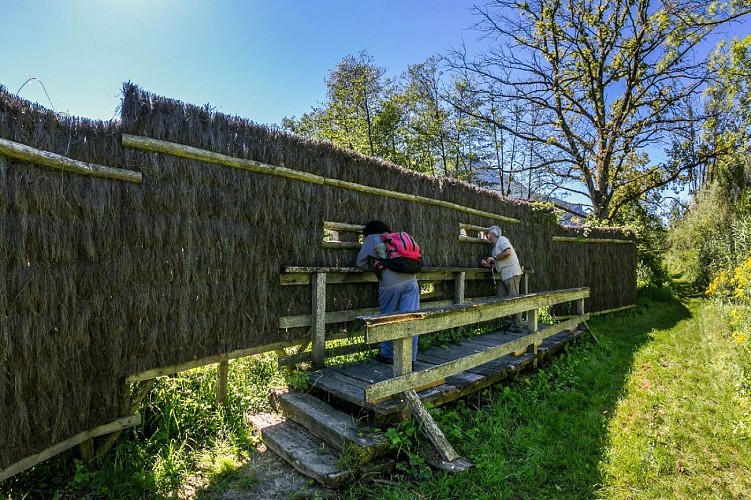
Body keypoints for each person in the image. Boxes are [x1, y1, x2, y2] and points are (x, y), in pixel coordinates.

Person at [356, 220, 420, 364]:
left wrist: (377, 265)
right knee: (411, 319)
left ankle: (387, 354)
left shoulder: (371, 239)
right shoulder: (397, 238)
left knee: (387, 317)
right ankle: (410, 359)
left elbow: (360, 263)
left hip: (389, 284)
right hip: (411, 281)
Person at [480, 225, 524, 332]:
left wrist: (494, 258)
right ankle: (508, 325)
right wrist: (488, 265)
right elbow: (497, 266)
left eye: (488, 233)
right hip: (504, 274)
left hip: (512, 272)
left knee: (514, 299)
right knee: (505, 299)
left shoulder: (502, 239)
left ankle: (517, 326)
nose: (487, 235)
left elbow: (508, 252)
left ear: (493, 234)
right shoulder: (494, 249)